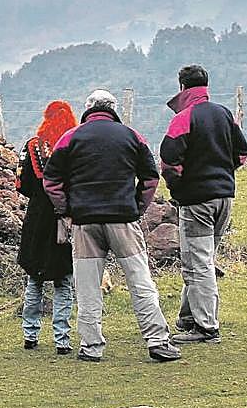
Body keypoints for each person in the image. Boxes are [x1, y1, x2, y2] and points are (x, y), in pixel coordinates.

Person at [42, 89, 181, 363]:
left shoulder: (70, 138)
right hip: (123, 220)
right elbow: (151, 179)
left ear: (88, 108)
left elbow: (51, 182)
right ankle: (157, 341)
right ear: (113, 108)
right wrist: (137, 207)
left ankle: (91, 346)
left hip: (85, 223)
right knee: (140, 281)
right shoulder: (131, 135)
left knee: (87, 287)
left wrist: (67, 210)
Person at [160, 64, 247, 345]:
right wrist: (225, 172)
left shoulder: (184, 118)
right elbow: (242, 153)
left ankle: (206, 327)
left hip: (197, 201)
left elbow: (169, 163)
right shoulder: (224, 114)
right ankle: (188, 318)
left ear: (183, 87)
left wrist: (179, 189)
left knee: (197, 263)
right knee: (203, 260)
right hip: (224, 198)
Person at [16, 100, 78, 354]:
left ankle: (30, 335)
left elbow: (22, 185)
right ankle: (62, 339)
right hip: (66, 217)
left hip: (38, 218)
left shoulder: (32, 146)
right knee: (64, 279)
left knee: (35, 278)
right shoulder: (75, 146)